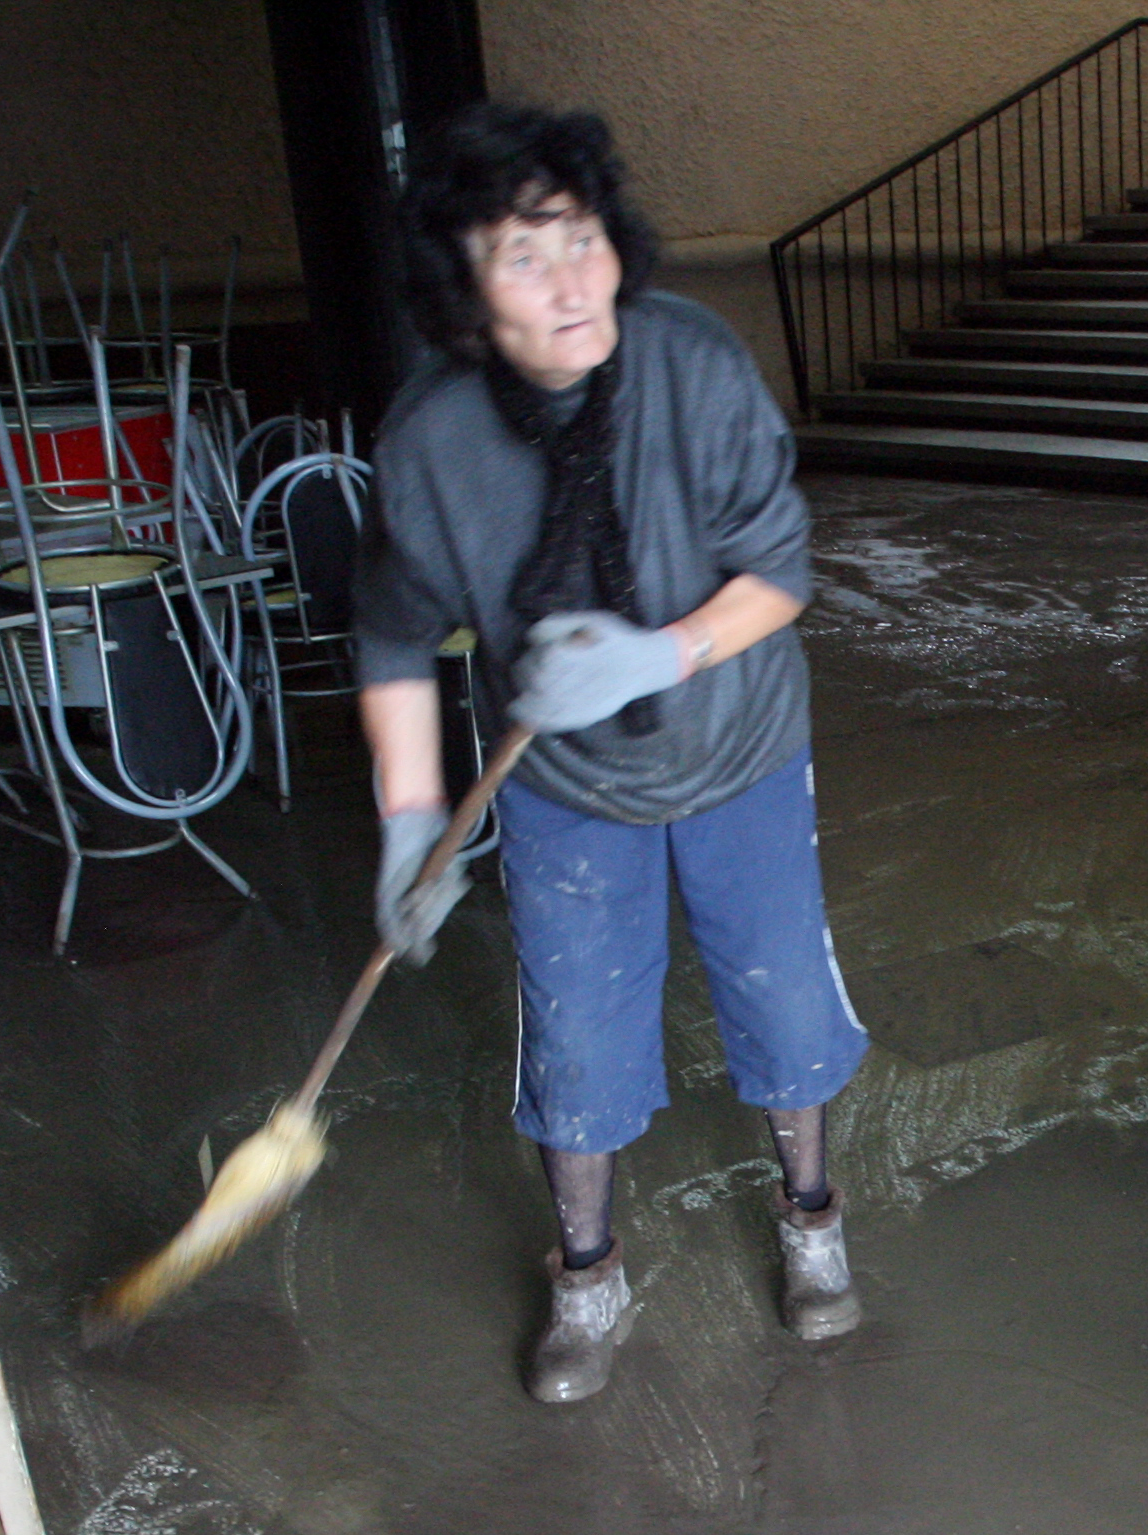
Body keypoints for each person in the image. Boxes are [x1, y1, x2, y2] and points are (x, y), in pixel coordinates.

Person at [354, 104, 868, 1405]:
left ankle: (813, 1219)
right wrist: (414, 821)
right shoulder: (429, 444)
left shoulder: (692, 365)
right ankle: (586, 1274)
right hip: (563, 786)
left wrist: (663, 653)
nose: (574, 280)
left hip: (737, 741)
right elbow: (397, 639)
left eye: (581, 238)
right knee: (578, 1043)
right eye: (526, 257)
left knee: (786, 1005)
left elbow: (782, 569)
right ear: (464, 295)